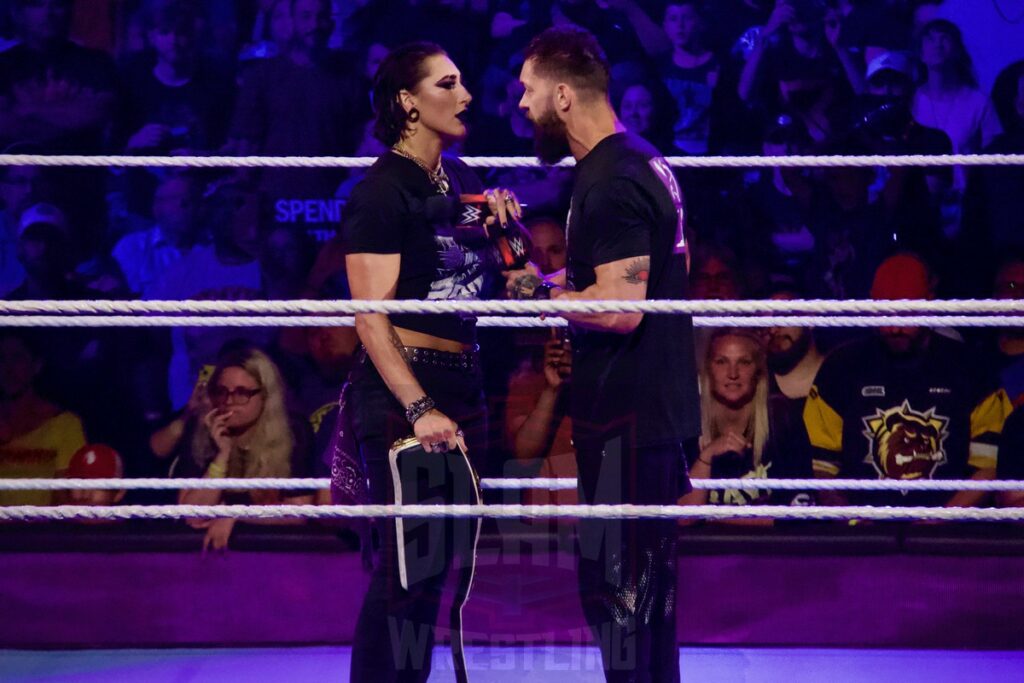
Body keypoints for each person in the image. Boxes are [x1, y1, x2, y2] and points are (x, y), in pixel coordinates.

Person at [511, 26, 700, 682]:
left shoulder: (612, 179)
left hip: (632, 414)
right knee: (642, 599)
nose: (521, 105)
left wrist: (542, 292)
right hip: (643, 411)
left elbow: (622, 308)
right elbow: (642, 277)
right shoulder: (636, 161)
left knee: (620, 596)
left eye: (528, 90)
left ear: (564, 96)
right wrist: (565, 287)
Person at [337, 41, 518, 683]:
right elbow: (369, 317)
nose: (466, 95)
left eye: (462, 80)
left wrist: (507, 234)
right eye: (448, 83)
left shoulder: (464, 180)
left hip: (465, 380)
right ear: (408, 102)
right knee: (406, 570)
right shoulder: (381, 193)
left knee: (439, 570)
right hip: (402, 390)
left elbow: (511, 283)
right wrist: (418, 408)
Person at [804, 253, 1013, 508]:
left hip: (951, 530)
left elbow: (989, 466)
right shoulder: (841, 368)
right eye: (885, 314)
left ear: (930, 303)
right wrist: (851, 521)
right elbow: (820, 467)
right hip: (861, 530)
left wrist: (941, 522)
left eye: (906, 313)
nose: (894, 328)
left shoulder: (971, 368)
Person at [173, 348, 315, 552]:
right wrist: (222, 456)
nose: (229, 402)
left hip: (274, 557)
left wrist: (237, 516)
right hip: (210, 560)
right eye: (222, 392)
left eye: (241, 393)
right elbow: (192, 516)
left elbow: (300, 512)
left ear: (265, 395)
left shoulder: (294, 431)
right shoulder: (203, 431)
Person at [679, 328, 813, 517]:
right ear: (708, 368)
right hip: (704, 547)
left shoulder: (783, 420)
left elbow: (797, 516)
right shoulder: (686, 423)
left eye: (744, 362)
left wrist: (713, 520)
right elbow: (682, 518)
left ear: (758, 370)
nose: (732, 373)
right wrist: (706, 457)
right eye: (721, 362)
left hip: (770, 546)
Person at [0, 329, 87, 507]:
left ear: (36, 365)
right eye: (1, 359)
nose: (8, 368)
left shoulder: (64, 425)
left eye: (17, 358)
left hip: (42, 532)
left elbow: (67, 499)